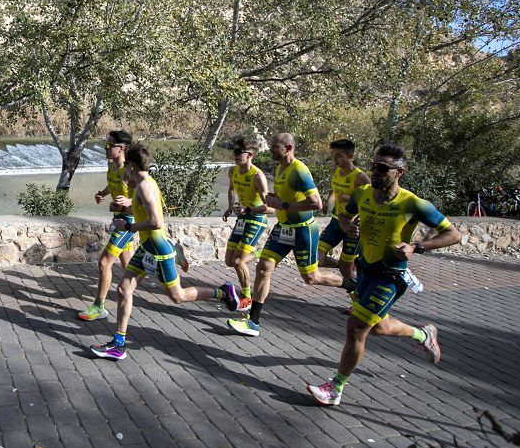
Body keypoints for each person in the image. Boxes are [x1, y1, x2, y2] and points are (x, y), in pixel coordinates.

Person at [306, 144, 462, 406]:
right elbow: (344, 216)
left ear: (399, 172)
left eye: (382, 168)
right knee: (379, 327)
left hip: (390, 277)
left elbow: (453, 234)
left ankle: (336, 387)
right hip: (364, 270)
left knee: (356, 329)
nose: (375, 172)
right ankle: (424, 335)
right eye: (373, 166)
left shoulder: (413, 203)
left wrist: (417, 247)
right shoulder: (363, 193)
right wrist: (349, 228)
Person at [91, 143, 240, 360]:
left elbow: (156, 222)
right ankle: (118, 344)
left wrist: (130, 227)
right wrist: (124, 209)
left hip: (158, 249)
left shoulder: (144, 186)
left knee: (177, 296)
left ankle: (222, 292)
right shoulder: (142, 184)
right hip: (146, 248)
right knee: (124, 289)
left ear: (131, 166)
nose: (124, 172)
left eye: (126, 168)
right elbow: (141, 208)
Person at [227, 133, 347, 338]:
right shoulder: (279, 168)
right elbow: (281, 200)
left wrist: (283, 205)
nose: (271, 150)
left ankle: (353, 285)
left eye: (275, 147)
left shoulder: (299, 170)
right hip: (283, 227)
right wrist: (274, 200)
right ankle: (253, 322)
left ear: (288, 148)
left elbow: (316, 203)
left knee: (311, 277)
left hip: (302, 229)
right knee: (263, 267)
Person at [79, 131, 136, 321]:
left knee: (104, 263)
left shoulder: (131, 171)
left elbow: (146, 199)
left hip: (129, 222)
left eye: (109, 145)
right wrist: (103, 194)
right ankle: (167, 259)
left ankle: (98, 306)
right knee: (128, 264)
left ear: (122, 148)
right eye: (105, 145)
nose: (105, 148)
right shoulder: (111, 167)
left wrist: (128, 202)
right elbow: (112, 185)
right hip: (118, 218)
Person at [317, 139, 371, 309]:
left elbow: (372, 202)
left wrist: (352, 199)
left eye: (339, 156)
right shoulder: (337, 169)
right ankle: (342, 265)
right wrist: (327, 202)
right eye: (334, 155)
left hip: (352, 226)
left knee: (347, 272)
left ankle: (358, 302)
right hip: (335, 220)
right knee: (316, 258)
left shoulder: (360, 178)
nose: (335, 159)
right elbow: (334, 189)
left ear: (350, 155)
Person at [222, 135, 273, 312]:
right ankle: (257, 253)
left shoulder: (257, 176)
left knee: (237, 261)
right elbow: (231, 190)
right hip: (243, 218)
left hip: (256, 219)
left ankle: (247, 297)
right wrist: (230, 207)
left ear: (249, 154)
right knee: (229, 260)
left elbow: (270, 207)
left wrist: (249, 209)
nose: (235, 155)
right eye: (233, 151)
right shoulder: (233, 171)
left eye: (238, 152)